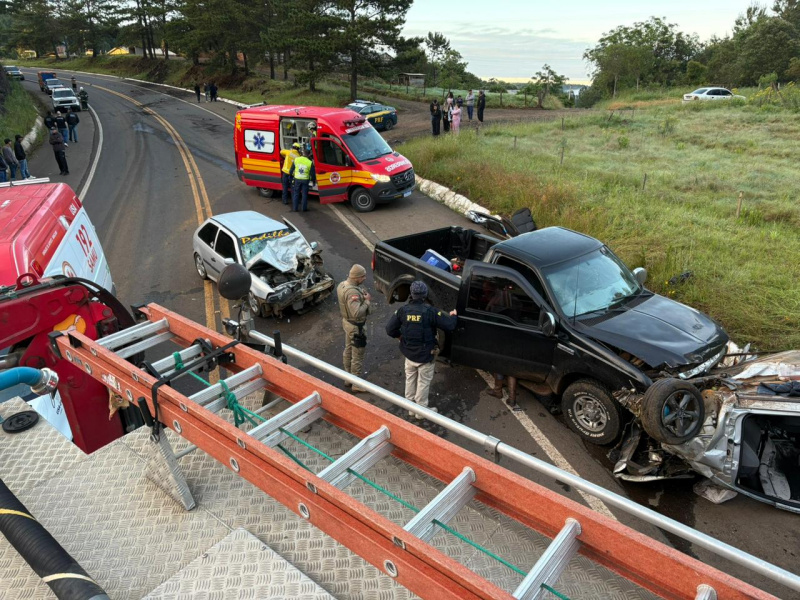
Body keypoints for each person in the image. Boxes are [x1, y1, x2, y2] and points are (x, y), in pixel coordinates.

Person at [386, 281, 458, 418]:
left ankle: (410, 407)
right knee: (423, 382)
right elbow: (450, 325)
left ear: (411, 294)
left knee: (410, 379)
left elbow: (389, 329)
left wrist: (400, 337)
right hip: (425, 356)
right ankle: (421, 410)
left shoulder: (402, 311)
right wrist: (453, 315)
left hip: (409, 354)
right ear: (425, 295)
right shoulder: (430, 312)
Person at [337, 264, 372, 392]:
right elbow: (356, 312)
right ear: (357, 277)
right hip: (356, 327)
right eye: (363, 276)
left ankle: (348, 378)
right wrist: (367, 301)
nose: (365, 278)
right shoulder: (352, 292)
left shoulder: (342, 285)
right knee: (357, 354)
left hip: (347, 323)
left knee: (348, 349)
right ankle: (356, 383)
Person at [290, 148, 315, 212]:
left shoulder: (296, 159)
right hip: (305, 180)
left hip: (297, 179)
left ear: (302, 153)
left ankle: (295, 208)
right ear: (308, 155)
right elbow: (312, 173)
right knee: (304, 195)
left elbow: (291, 170)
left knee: (296, 194)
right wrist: (313, 181)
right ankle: (304, 208)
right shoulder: (310, 162)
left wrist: (291, 177)